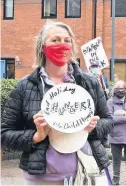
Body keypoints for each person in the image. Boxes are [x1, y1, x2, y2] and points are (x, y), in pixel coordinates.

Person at [1, 22, 113, 185]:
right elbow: (4, 134)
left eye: (67, 40)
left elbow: (109, 121)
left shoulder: (89, 82)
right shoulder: (25, 86)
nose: (62, 44)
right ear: (42, 47)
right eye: (55, 40)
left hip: (86, 173)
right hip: (43, 179)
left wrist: (93, 128)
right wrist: (35, 136)